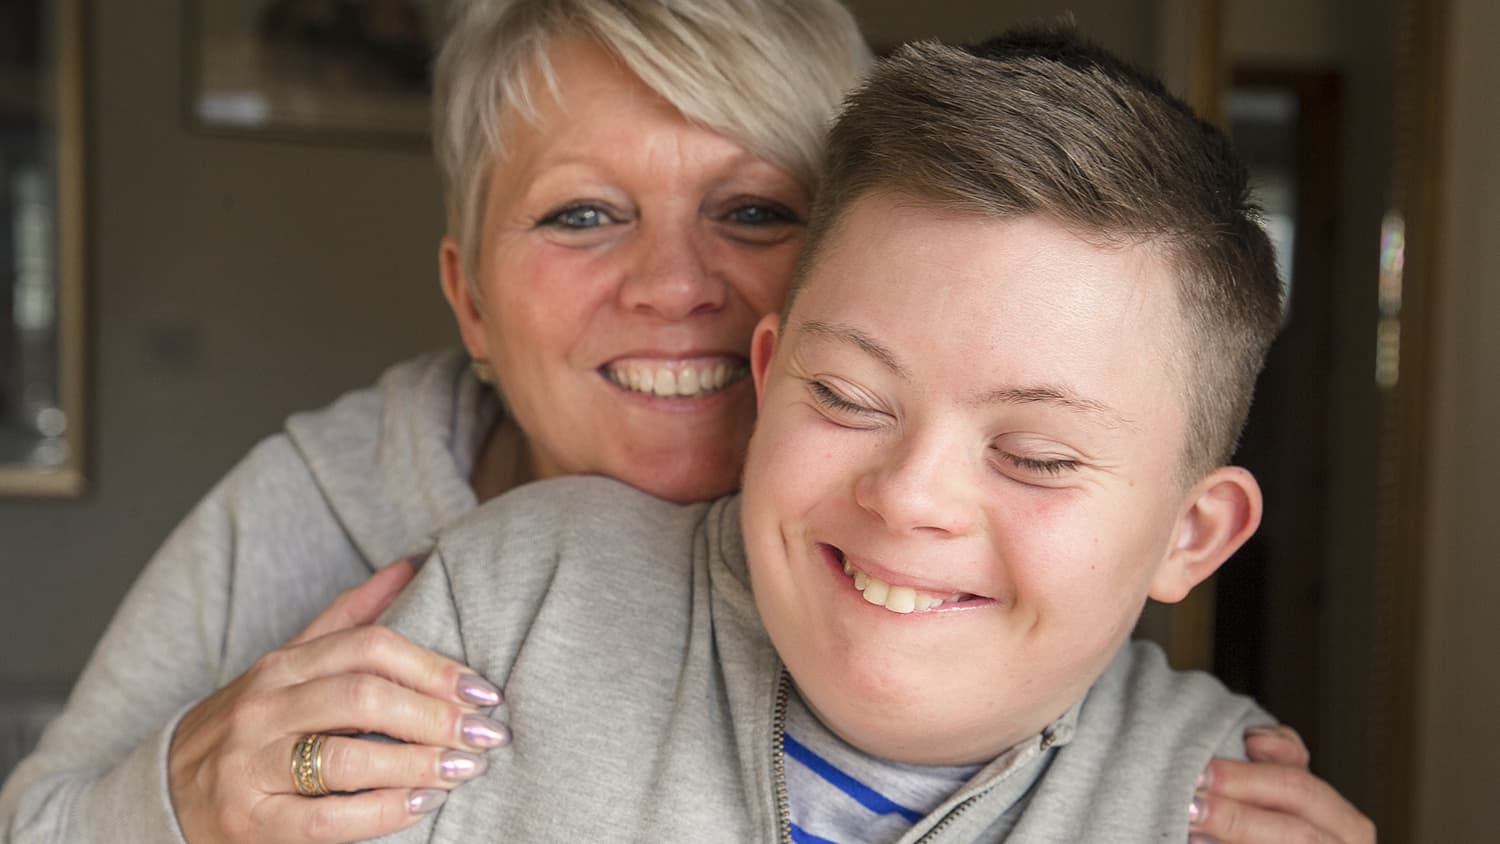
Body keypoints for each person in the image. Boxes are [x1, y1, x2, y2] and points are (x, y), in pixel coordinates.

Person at [0, 2, 1368, 843]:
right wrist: (180, 803)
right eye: (583, 214)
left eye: (756, 209)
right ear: (470, 300)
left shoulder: (1034, 634)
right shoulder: (379, 537)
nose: (672, 287)